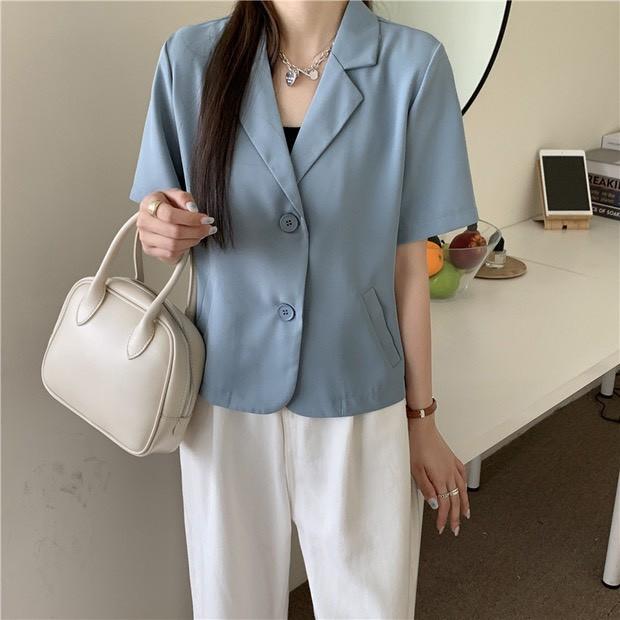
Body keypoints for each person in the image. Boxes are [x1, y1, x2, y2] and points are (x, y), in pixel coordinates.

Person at [129, 1, 477, 617]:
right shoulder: (191, 59)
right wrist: (157, 225)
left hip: (356, 389)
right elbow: (159, 209)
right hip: (226, 390)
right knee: (229, 603)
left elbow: (409, 267)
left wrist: (421, 418)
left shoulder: (413, 65)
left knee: (370, 604)